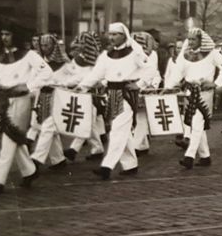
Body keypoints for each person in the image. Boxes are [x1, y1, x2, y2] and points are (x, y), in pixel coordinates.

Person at [0, 24, 52, 194]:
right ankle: (30, 171)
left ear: (16, 35)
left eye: (7, 34)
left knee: (8, 139)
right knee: (13, 136)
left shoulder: (29, 55)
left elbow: (47, 73)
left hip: (20, 100)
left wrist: (29, 86)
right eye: (2, 34)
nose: (4, 37)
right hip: (2, 100)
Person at [78, 23, 155, 180]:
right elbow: (96, 74)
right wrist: (82, 87)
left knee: (118, 130)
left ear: (124, 35)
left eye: (115, 34)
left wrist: (139, 84)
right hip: (111, 94)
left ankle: (107, 166)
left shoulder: (135, 52)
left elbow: (150, 68)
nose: (112, 38)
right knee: (121, 130)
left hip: (126, 94)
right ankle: (130, 164)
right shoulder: (106, 55)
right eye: (110, 34)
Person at [165, 28, 222, 169]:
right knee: (195, 123)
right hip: (189, 91)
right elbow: (177, 73)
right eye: (189, 39)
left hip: (204, 92)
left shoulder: (212, 53)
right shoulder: (184, 54)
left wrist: (216, 83)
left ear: (201, 40)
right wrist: (168, 87)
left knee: (197, 122)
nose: (190, 42)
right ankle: (205, 156)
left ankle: (189, 156)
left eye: (194, 39)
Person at [30, 34, 71, 170]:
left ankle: (36, 159)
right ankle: (58, 159)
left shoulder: (65, 63)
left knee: (48, 128)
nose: (44, 48)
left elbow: (71, 81)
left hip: (58, 98)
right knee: (48, 128)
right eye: (42, 45)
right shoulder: (40, 62)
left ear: (54, 46)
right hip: (43, 97)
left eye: (47, 45)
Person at [63, 32, 106, 162]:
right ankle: (97, 148)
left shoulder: (100, 59)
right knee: (89, 123)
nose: (80, 46)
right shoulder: (76, 60)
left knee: (86, 121)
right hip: (79, 94)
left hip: (93, 95)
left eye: (83, 43)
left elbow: (103, 75)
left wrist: (101, 83)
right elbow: (71, 76)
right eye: (79, 43)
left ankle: (73, 149)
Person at [130, 31, 163, 155]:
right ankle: (143, 145)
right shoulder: (133, 55)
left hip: (145, 88)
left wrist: (152, 86)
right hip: (135, 87)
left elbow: (155, 73)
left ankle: (137, 145)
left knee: (141, 116)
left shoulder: (151, 55)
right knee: (138, 117)